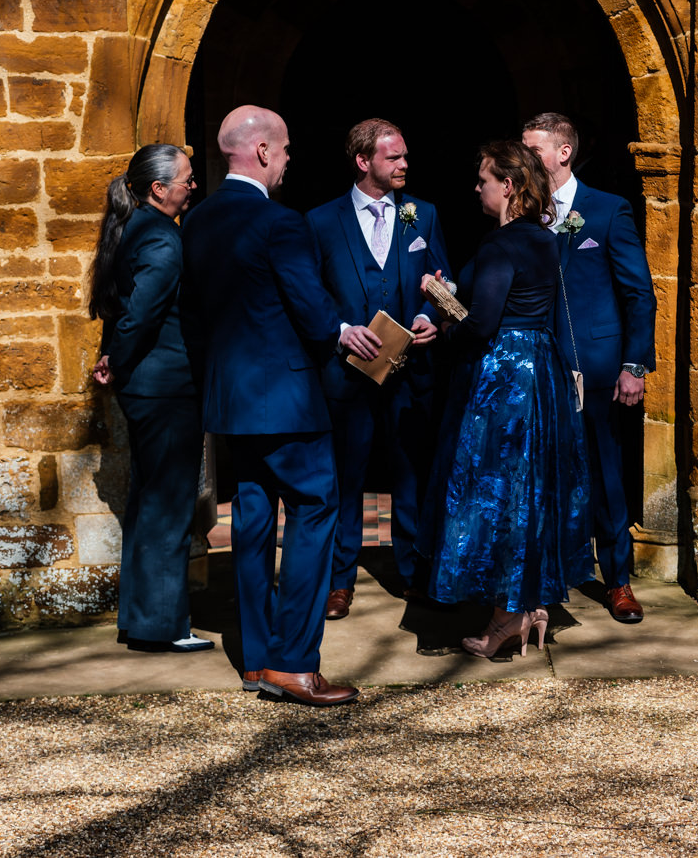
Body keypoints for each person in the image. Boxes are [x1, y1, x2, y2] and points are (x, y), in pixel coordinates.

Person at [182, 105, 380, 706]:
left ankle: (259, 661)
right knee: (317, 507)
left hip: (231, 401)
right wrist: (344, 330)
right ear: (263, 152)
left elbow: (193, 317)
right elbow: (311, 307)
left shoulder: (197, 222)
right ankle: (295, 664)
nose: (290, 159)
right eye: (287, 148)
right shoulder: (279, 223)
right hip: (288, 399)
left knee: (251, 521)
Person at [425, 140, 591, 656]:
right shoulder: (544, 240)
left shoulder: (500, 246)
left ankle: (504, 618)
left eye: (483, 180)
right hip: (541, 370)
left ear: (510, 186)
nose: (477, 188)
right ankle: (530, 603)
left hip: (505, 378)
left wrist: (444, 321)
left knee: (494, 490)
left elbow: (482, 325)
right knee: (533, 487)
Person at [306, 118, 452, 618]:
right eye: (393, 157)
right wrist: (342, 327)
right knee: (345, 478)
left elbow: (443, 279)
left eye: (405, 156)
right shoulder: (321, 221)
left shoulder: (423, 215)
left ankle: (412, 573)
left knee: (411, 473)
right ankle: (339, 581)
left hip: (411, 372)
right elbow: (310, 295)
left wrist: (431, 315)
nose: (404, 164)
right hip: (348, 374)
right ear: (363, 161)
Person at [521, 113, 656, 624]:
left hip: (598, 368)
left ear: (563, 153)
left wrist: (633, 366)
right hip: (538, 365)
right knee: (542, 475)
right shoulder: (523, 212)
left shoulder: (606, 210)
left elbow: (638, 293)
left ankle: (618, 581)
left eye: (534, 150)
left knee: (605, 474)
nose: (526, 159)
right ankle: (547, 580)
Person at [86, 143, 211, 654]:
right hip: (166, 388)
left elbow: (118, 308)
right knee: (169, 506)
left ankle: (140, 619)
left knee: (147, 502)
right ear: (159, 189)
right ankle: (162, 626)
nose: (193, 185)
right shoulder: (162, 237)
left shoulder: (133, 226)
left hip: (146, 387)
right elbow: (142, 312)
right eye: (186, 179)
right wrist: (115, 356)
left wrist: (111, 357)